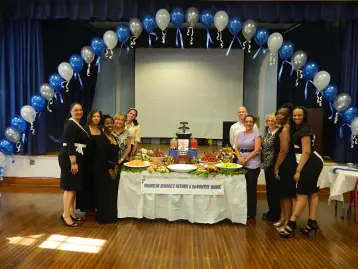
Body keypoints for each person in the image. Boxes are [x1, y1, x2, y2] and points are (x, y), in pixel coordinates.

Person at [278, 106, 324, 238]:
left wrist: (298, 171)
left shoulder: (304, 130)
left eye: (299, 115)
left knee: (301, 195)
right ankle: (312, 222)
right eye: (294, 115)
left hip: (310, 163)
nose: (297, 117)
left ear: (304, 116)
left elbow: (306, 152)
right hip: (311, 161)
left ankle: (291, 224)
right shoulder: (299, 128)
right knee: (313, 193)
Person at [58, 103, 89, 227]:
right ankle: (65, 214)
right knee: (70, 187)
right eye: (76, 110)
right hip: (70, 158)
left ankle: (70, 211)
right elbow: (70, 144)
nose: (79, 112)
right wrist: (73, 162)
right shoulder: (70, 124)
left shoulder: (77, 124)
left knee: (73, 186)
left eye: (80, 110)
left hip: (75, 157)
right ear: (70, 111)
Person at [273, 104, 297, 230]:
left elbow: (283, 151)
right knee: (282, 194)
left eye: (282, 114)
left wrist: (276, 167)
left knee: (286, 195)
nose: (277, 115)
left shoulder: (286, 130)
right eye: (278, 113)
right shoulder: (282, 128)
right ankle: (283, 217)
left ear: (287, 117)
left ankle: (288, 221)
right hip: (283, 164)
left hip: (286, 165)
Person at [94, 115, 120, 224]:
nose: (110, 125)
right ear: (102, 124)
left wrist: (115, 166)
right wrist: (110, 169)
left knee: (112, 194)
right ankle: (103, 218)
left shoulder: (113, 136)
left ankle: (111, 216)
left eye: (111, 123)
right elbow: (101, 156)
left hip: (113, 168)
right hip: (104, 170)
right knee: (104, 195)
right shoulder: (101, 138)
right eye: (107, 123)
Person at [76, 109, 102, 217]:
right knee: (87, 185)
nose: (96, 118)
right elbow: (78, 146)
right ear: (90, 117)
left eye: (98, 116)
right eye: (94, 116)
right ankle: (87, 207)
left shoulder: (101, 129)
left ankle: (95, 206)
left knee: (96, 185)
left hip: (98, 162)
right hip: (86, 162)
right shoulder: (84, 129)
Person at [235, 115, 262, 218]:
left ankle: (251, 213)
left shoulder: (257, 135)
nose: (248, 123)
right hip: (240, 162)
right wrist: (240, 158)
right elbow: (236, 148)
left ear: (253, 123)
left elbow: (257, 150)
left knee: (251, 188)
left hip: (253, 164)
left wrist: (246, 159)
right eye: (246, 121)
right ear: (244, 123)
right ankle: (241, 211)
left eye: (250, 122)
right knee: (241, 188)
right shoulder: (239, 134)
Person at [261, 113, 281, 222]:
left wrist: (275, 166)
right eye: (268, 121)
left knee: (274, 190)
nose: (270, 123)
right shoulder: (268, 133)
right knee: (269, 189)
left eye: (272, 121)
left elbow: (278, 151)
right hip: (267, 165)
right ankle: (271, 211)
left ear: (276, 122)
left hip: (274, 165)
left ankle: (275, 214)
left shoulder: (278, 133)